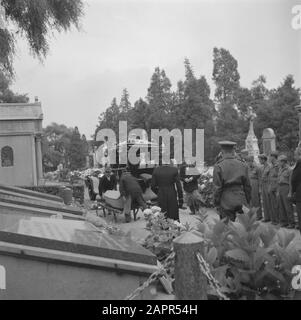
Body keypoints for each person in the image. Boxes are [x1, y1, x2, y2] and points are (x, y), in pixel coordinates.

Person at [213, 141, 251, 222]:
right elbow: (248, 186)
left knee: (227, 229)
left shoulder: (219, 166)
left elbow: (217, 188)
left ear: (222, 152)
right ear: (233, 151)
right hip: (241, 199)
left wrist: (216, 204)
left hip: (225, 201)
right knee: (241, 229)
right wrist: (247, 200)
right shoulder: (243, 165)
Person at [277, 155, 295, 228]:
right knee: (281, 206)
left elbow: (291, 182)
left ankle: (291, 223)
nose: (278, 163)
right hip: (280, 187)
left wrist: (290, 192)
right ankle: (284, 222)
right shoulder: (280, 169)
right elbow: (278, 180)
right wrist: (278, 191)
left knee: (288, 207)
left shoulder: (289, 169)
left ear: (283, 161)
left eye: (279, 161)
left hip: (286, 187)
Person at [246, 155, 262, 220]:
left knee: (256, 200)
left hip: (255, 184)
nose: (248, 163)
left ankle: (259, 215)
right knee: (250, 201)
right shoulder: (247, 168)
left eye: (249, 161)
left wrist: (260, 188)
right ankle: (251, 215)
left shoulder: (257, 168)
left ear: (252, 161)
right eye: (247, 161)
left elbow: (260, 178)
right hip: (249, 184)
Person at [289, 147, 301, 232]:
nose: (294, 157)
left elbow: (294, 179)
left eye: (295, 155)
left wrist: (293, 192)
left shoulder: (299, 162)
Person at [267, 151, 280, 225]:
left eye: (270, 156)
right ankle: (274, 220)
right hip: (272, 187)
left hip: (276, 188)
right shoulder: (271, 166)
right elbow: (270, 177)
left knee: (277, 205)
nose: (269, 158)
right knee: (273, 204)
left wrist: (278, 189)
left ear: (274, 157)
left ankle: (278, 220)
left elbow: (279, 177)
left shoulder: (278, 166)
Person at [258, 154, 271, 222]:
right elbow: (260, 178)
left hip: (268, 185)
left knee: (269, 202)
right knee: (265, 202)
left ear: (263, 159)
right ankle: (266, 217)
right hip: (263, 185)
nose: (259, 161)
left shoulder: (269, 167)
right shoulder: (262, 168)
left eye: (260, 159)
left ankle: (271, 217)